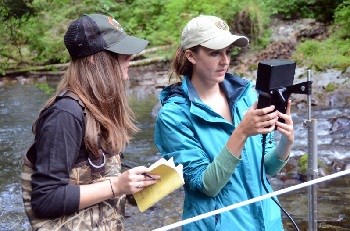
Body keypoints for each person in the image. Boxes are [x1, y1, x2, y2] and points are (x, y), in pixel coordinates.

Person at [154, 15, 294, 230]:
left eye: (227, 51)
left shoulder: (247, 95)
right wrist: (241, 133)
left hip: (268, 222)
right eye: (214, 53)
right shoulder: (173, 116)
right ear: (191, 55)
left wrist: (286, 141)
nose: (225, 61)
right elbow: (206, 185)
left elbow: (268, 168)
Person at [21, 13, 159, 230]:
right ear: (94, 58)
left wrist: (133, 183)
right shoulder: (64, 114)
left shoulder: (96, 109)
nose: (130, 58)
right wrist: (116, 186)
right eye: (121, 52)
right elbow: (45, 199)